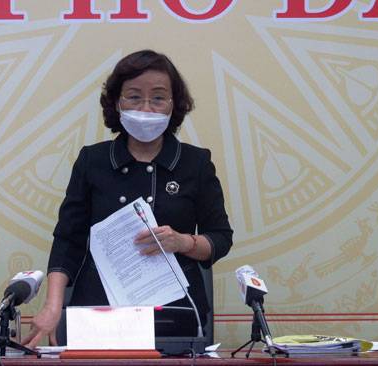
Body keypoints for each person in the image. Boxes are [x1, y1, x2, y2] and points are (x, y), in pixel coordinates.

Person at [21, 50, 233, 348]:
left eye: (158, 98)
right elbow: (68, 240)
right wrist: (53, 307)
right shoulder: (91, 160)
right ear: (117, 103)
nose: (146, 107)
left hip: (175, 313)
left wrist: (184, 242)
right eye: (134, 97)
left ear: (174, 105)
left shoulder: (195, 163)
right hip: (98, 314)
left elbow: (221, 239)